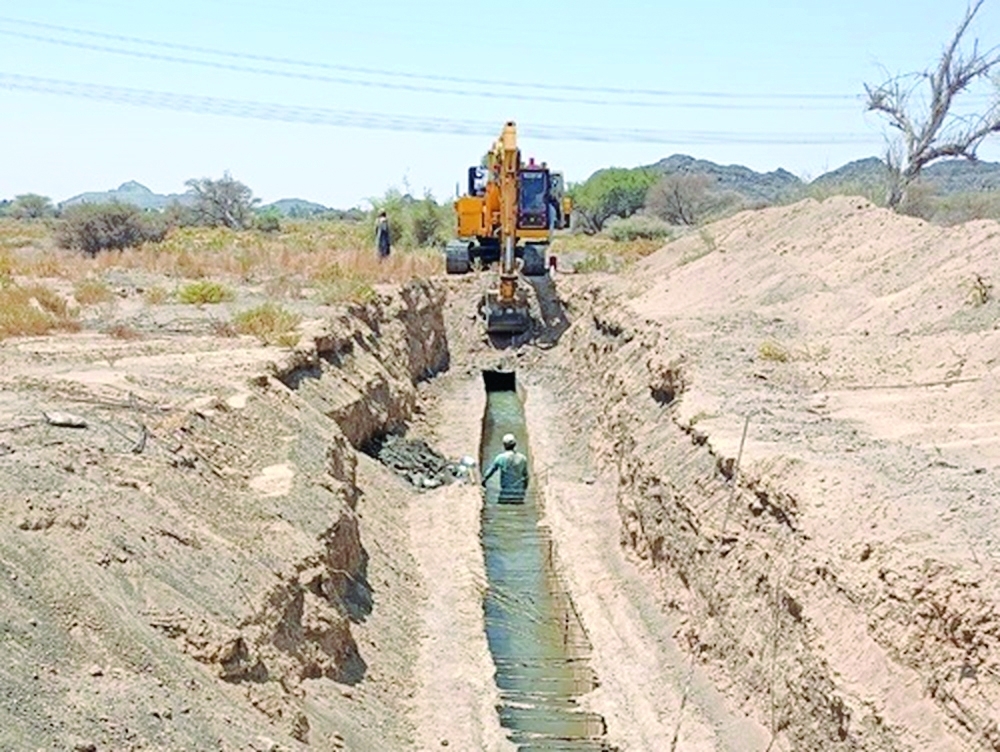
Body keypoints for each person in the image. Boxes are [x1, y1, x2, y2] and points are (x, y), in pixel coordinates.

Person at [481, 433, 529, 503]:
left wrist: (483, 481)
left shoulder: (500, 458)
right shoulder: (523, 458)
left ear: (504, 445)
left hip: (505, 492)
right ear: (515, 444)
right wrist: (523, 490)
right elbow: (526, 477)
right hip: (518, 494)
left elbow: (490, 472)